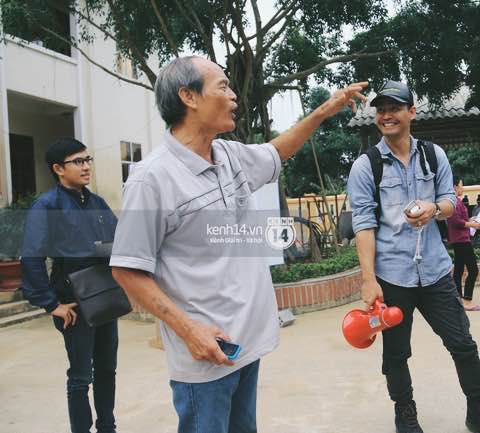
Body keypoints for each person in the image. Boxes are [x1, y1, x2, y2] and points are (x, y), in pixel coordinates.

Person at [109, 56, 366, 433]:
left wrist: (326, 110)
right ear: (188, 97)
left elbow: (278, 151)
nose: (233, 97)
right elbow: (127, 269)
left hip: (245, 344)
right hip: (205, 354)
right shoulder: (152, 179)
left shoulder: (230, 156)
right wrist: (189, 330)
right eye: (223, 87)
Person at [347, 80, 480, 433]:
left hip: (434, 271)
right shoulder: (366, 166)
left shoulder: (434, 155)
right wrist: (368, 279)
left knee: (462, 343)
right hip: (392, 276)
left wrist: (434, 208)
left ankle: (479, 410)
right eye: (381, 110)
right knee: (396, 353)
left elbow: (450, 200)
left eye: (394, 108)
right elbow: (364, 225)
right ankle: (406, 415)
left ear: (411, 111)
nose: (387, 115)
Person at [21, 138, 119, 433]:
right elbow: (32, 258)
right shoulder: (46, 206)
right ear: (58, 169)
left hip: (105, 298)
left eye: (88, 159)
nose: (87, 166)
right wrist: (53, 305)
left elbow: (117, 246)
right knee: (80, 376)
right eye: (79, 161)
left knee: (106, 370)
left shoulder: (98, 203)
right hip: (73, 304)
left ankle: (107, 427)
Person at [448, 176, 480, 311]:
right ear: (454, 187)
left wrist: (470, 219)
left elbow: (460, 219)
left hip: (460, 239)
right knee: (473, 270)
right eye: (461, 185)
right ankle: (467, 300)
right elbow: (455, 222)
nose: (462, 188)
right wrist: (471, 224)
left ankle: (459, 299)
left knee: (458, 271)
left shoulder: (456, 201)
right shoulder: (454, 202)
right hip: (461, 240)